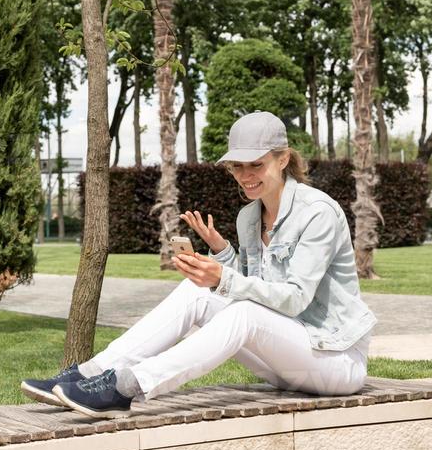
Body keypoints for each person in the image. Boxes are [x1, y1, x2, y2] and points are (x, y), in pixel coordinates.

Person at [21, 111, 377, 418]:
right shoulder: (249, 217)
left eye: (257, 164)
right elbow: (257, 288)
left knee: (242, 313)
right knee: (197, 291)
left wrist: (222, 277)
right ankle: (91, 372)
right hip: (286, 358)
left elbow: (294, 299)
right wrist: (220, 255)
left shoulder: (318, 213)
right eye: (237, 166)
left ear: (282, 160)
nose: (245, 175)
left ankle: (126, 387)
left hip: (335, 360)